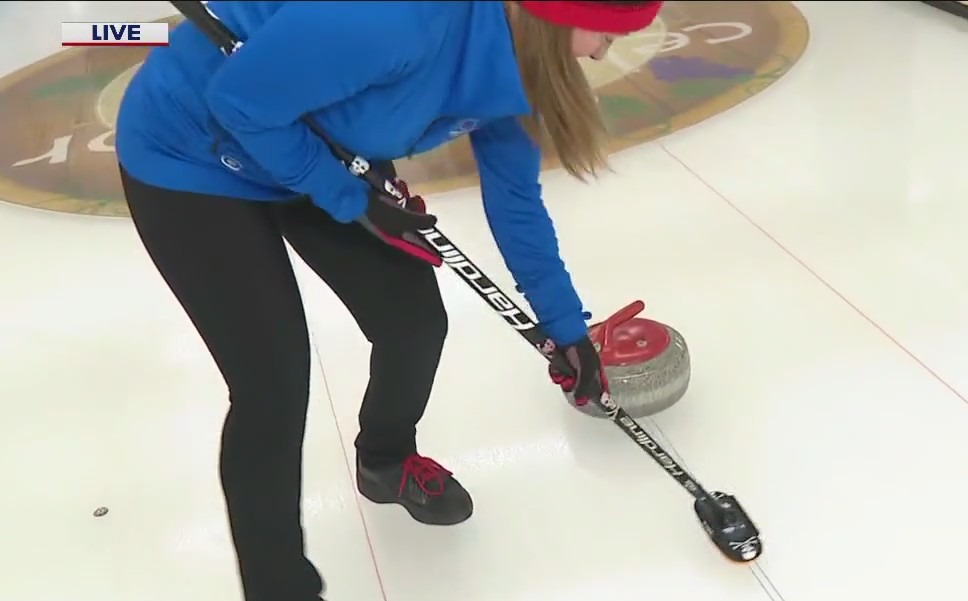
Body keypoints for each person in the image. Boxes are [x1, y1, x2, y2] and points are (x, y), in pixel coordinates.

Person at [113, 1, 664, 600]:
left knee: (414, 323)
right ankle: (280, 588)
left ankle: (385, 459)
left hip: (315, 141)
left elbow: (516, 201)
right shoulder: (395, 18)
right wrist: (347, 198)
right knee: (272, 384)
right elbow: (240, 103)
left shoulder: (516, 61)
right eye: (608, 31)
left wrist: (564, 325)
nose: (604, 50)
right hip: (192, 157)